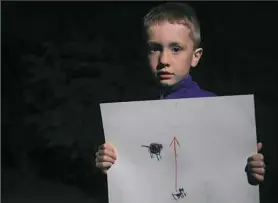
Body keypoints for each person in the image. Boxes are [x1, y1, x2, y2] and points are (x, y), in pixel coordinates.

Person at [94, 2, 265, 185]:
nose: (164, 60)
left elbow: (230, 180)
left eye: (176, 49)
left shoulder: (217, 110)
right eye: (155, 48)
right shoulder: (132, 116)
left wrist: (250, 172)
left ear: (195, 56)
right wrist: (110, 163)